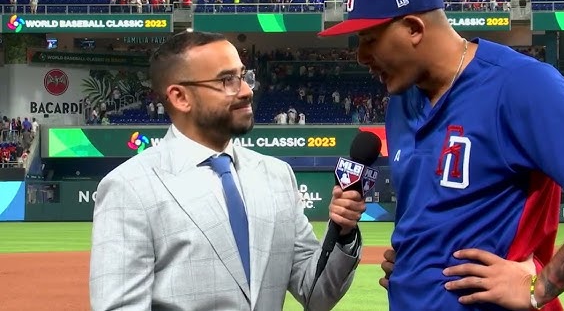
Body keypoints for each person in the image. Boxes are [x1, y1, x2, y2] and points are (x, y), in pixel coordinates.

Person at [318, 0, 564, 311]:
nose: (360, 57)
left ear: (414, 28)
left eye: (369, 40)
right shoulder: (401, 103)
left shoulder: (520, 84)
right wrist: (414, 264)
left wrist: (539, 287)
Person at [89, 32, 365, 310]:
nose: (247, 90)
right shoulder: (129, 187)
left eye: (244, 76)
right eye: (227, 81)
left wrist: (342, 233)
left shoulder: (277, 175)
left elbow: (315, 293)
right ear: (180, 97)